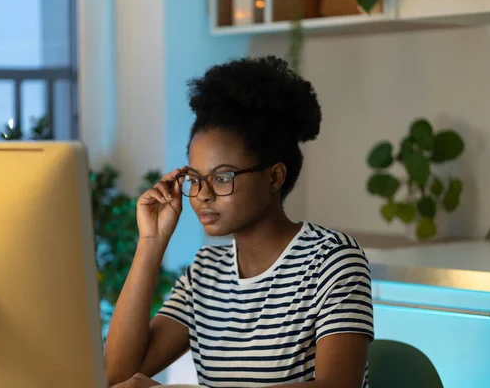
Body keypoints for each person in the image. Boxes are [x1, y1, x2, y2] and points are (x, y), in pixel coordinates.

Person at [105, 56, 374, 388]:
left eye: (222, 177)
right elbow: (117, 375)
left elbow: (337, 386)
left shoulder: (333, 261)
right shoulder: (206, 272)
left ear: (274, 177)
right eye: (195, 178)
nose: (202, 194)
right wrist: (151, 243)